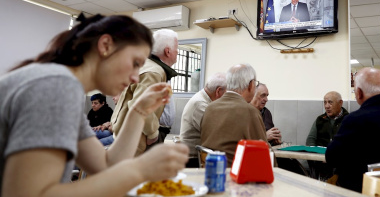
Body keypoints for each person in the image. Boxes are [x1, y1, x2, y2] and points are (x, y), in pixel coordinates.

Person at [0, 14, 188, 197]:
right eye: (135, 63)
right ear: (105, 46)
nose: (135, 77)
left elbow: (107, 163)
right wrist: (139, 170)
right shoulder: (56, 85)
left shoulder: (62, 85)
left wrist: (138, 112)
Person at [111, 29, 178, 156]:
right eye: (177, 48)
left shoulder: (146, 66)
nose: (178, 52)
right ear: (168, 51)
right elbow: (139, 104)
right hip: (139, 138)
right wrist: (152, 133)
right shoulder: (154, 72)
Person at [201, 64, 268, 166]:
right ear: (250, 85)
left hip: (210, 170)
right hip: (236, 174)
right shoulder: (250, 111)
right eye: (255, 83)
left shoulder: (210, 108)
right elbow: (264, 152)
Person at [179, 72, 226, 163]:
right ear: (218, 91)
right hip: (192, 158)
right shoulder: (200, 104)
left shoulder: (204, 100)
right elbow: (214, 132)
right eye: (226, 92)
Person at [306, 91, 349, 180]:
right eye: (325, 102)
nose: (326, 106)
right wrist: (316, 156)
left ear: (340, 103)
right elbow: (310, 140)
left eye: (330, 102)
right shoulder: (320, 119)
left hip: (340, 163)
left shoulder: (348, 120)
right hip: (320, 161)